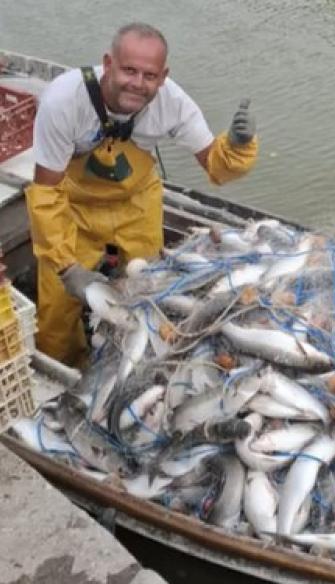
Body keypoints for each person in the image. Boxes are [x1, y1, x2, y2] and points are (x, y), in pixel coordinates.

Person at [24, 22, 258, 366]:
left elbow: (215, 165)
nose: (138, 83)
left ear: (163, 77)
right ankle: (66, 371)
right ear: (108, 63)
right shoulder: (64, 100)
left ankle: (130, 364)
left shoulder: (173, 103)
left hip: (136, 206)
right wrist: (65, 267)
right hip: (73, 209)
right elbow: (46, 193)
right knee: (57, 312)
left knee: (148, 292)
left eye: (149, 75)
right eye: (129, 70)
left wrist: (238, 144)